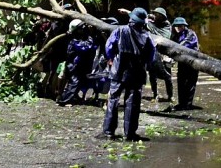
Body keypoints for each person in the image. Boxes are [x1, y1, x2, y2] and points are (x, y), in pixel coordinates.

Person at [99, 7, 155, 141]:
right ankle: (129, 133)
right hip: (137, 73)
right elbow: (151, 56)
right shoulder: (147, 36)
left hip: (118, 70)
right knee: (133, 103)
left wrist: (112, 58)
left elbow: (109, 47)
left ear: (131, 19)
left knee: (113, 100)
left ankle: (108, 131)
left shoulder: (119, 30)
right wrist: (144, 65)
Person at [57, 19, 98, 106]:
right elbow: (87, 47)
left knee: (80, 82)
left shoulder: (78, 38)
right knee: (74, 82)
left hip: (78, 65)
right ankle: (64, 100)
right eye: (81, 27)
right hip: (74, 65)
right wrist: (91, 37)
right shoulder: (74, 41)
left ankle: (73, 97)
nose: (84, 28)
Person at [170, 17, 200, 111]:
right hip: (182, 62)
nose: (178, 28)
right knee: (181, 82)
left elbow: (184, 45)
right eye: (176, 26)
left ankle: (188, 104)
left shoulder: (190, 34)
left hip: (193, 61)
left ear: (184, 26)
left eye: (180, 26)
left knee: (190, 83)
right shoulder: (175, 35)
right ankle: (181, 103)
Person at [146, 7, 174, 102]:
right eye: (155, 14)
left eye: (158, 14)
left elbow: (164, 36)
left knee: (167, 76)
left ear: (162, 16)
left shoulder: (166, 26)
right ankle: (155, 94)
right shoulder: (151, 23)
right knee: (152, 75)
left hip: (164, 54)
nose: (156, 16)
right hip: (153, 53)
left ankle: (170, 95)